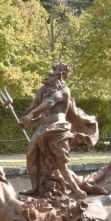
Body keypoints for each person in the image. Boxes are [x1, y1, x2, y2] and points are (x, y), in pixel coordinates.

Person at [19, 63, 98, 198]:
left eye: (57, 72)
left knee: (61, 165)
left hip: (59, 129)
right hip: (43, 128)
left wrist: (31, 114)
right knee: (31, 155)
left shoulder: (64, 90)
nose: (53, 74)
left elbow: (50, 102)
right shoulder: (44, 91)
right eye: (53, 72)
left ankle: (77, 190)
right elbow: (42, 117)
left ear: (62, 75)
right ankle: (35, 188)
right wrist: (28, 122)